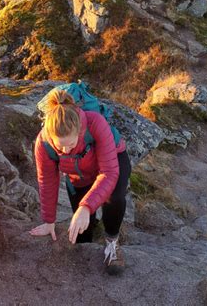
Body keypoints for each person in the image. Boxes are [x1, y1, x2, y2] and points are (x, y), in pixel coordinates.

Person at [29, 89, 131, 275]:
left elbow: (109, 172)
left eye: (71, 144)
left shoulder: (95, 124)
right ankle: (87, 247)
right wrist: (49, 221)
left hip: (111, 160)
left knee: (113, 197)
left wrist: (86, 206)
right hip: (78, 174)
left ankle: (112, 243)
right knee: (82, 228)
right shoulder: (43, 144)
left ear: (79, 131)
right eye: (60, 146)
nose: (66, 150)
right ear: (51, 137)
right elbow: (47, 181)